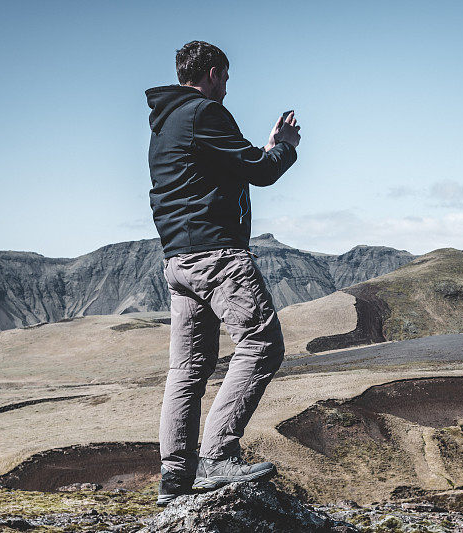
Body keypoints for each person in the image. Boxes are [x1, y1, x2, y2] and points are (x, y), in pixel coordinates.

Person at [145, 40, 301, 506]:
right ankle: (217, 456)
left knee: (188, 369)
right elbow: (257, 169)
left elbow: (231, 164)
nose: (228, 87)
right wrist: (285, 150)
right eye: (227, 78)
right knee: (262, 343)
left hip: (179, 261)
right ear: (212, 73)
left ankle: (175, 475)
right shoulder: (202, 113)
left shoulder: (166, 123)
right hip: (216, 255)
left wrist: (266, 148)